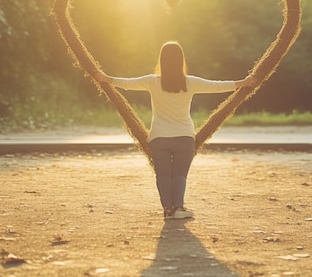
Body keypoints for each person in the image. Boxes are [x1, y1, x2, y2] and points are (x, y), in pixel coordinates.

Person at [93, 41, 256, 220]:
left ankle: (168, 210)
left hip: (159, 138)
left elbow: (127, 83)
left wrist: (106, 78)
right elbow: (216, 86)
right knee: (179, 175)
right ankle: (179, 208)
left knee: (162, 175)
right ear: (181, 61)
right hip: (184, 137)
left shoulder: (152, 82)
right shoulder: (190, 82)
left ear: (161, 60)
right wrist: (244, 82)